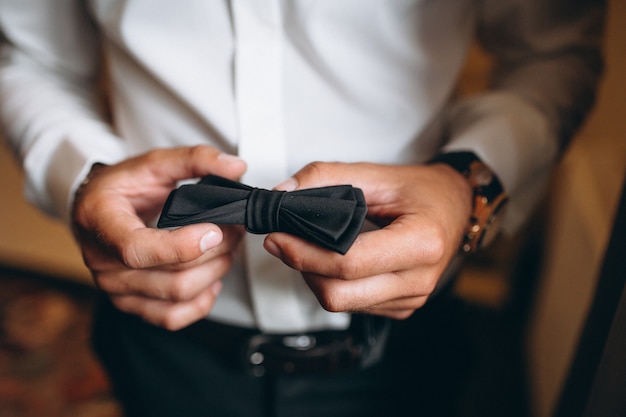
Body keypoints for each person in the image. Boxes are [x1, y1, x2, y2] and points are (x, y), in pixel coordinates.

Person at [0, 1, 605, 416]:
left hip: (400, 343)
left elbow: (551, 54)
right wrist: (81, 177)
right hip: (159, 333)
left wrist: (468, 181)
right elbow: (30, 58)